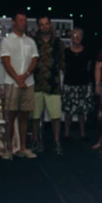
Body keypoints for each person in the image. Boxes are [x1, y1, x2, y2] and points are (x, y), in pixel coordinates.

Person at [0, 11, 38, 159]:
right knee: (10, 116)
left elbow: (34, 60)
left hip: (28, 83)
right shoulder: (7, 41)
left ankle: (22, 147)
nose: (24, 23)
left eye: (25, 20)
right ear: (14, 23)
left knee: (24, 116)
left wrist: (25, 76)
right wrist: (17, 78)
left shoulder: (31, 41)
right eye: (21, 20)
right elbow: (6, 62)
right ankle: (9, 149)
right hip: (12, 83)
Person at [32, 15, 66, 154]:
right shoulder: (33, 42)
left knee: (56, 116)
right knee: (35, 116)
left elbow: (63, 62)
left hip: (53, 84)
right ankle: (35, 141)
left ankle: (57, 142)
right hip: (36, 84)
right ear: (38, 26)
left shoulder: (58, 42)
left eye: (46, 24)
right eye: (41, 24)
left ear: (50, 25)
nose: (44, 26)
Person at [63, 28, 93, 141]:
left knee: (82, 111)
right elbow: (63, 67)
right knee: (68, 111)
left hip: (83, 84)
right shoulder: (66, 52)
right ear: (71, 36)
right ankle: (66, 133)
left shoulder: (87, 51)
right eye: (74, 35)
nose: (77, 37)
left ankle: (82, 134)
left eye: (79, 35)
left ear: (82, 37)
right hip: (69, 84)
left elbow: (89, 67)